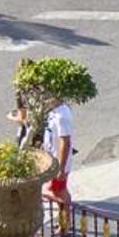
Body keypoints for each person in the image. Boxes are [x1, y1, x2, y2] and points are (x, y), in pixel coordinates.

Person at [41, 95, 75, 229]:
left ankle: (65, 225)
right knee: (55, 190)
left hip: (59, 163)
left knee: (59, 192)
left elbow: (65, 142)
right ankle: (64, 221)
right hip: (53, 161)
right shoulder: (54, 111)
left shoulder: (62, 116)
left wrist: (61, 168)